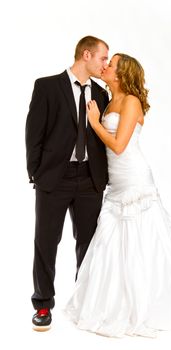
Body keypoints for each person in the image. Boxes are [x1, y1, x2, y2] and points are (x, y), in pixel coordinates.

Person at [64, 53, 171, 338]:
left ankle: (147, 305)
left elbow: (118, 145)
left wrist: (95, 123)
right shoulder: (107, 99)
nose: (105, 66)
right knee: (111, 240)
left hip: (134, 178)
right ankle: (115, 301)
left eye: (111, 64)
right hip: (114, 182)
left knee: (142, 240)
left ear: (121, 73)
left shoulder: (131, 101)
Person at [25, 36, 109, 331]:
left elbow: (100, 140)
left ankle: (83, 303)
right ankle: (43, 304)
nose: (106, 65)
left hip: (89, 179)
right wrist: (36, 172)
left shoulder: (100, 94)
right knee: (46, 242)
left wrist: (102, 178)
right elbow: (34, 133)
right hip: (54, 179)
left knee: (88, 244)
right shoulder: (46, 86)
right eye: (102, 58)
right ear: (86, 55)